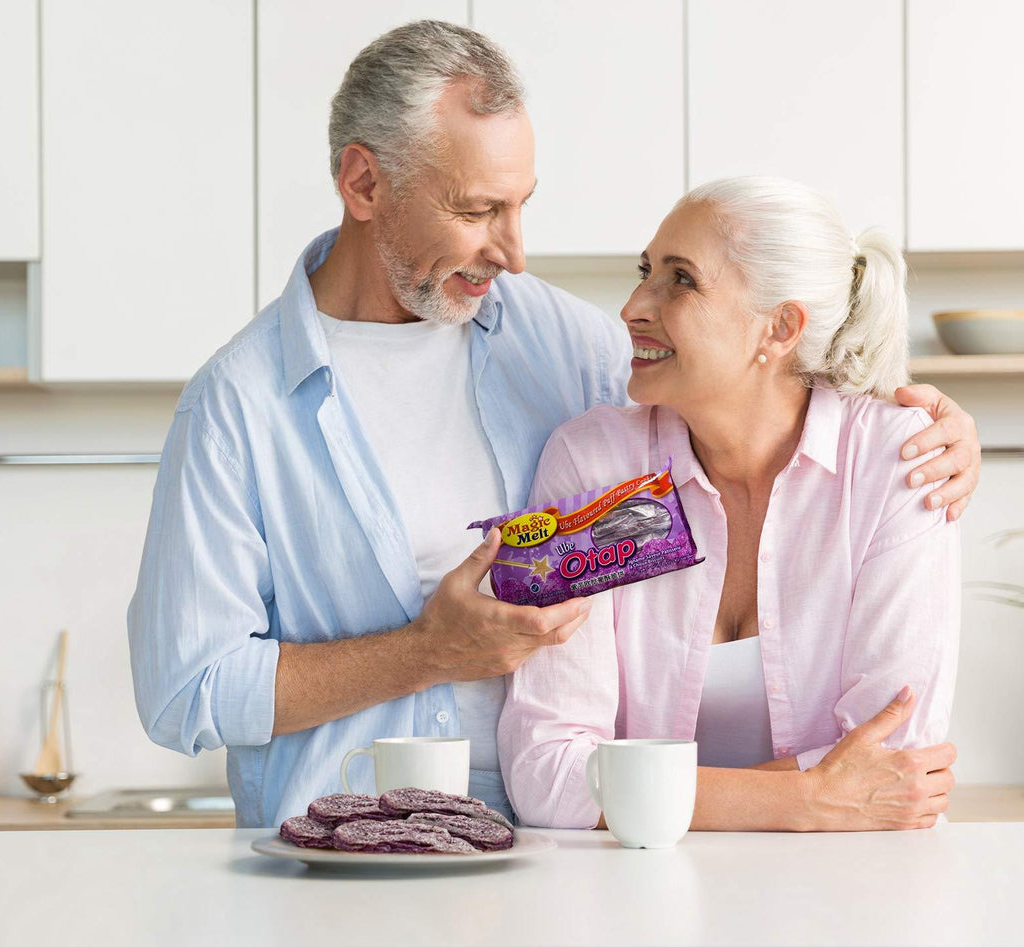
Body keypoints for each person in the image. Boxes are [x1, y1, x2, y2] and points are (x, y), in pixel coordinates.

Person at [127, 21, 979, 829]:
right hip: (336, 854)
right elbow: (185, 690)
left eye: (519, 206)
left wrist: (926, 427)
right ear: (364, 184)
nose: (513, 251)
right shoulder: (236, 408)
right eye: (477, 210)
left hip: (549, 862)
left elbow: (734, 383)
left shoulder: (559, 345)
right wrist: (426, 650)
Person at [499, 177, 960, 831]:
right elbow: (545, 773)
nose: (632, 306)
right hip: (640, 882)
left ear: (780, 327)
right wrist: (806, 798)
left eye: (681, 280)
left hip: (852, 878)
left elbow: (895, 763)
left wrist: (638, 795)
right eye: (646, 272)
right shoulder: (592, 465)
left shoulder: (897, 460)